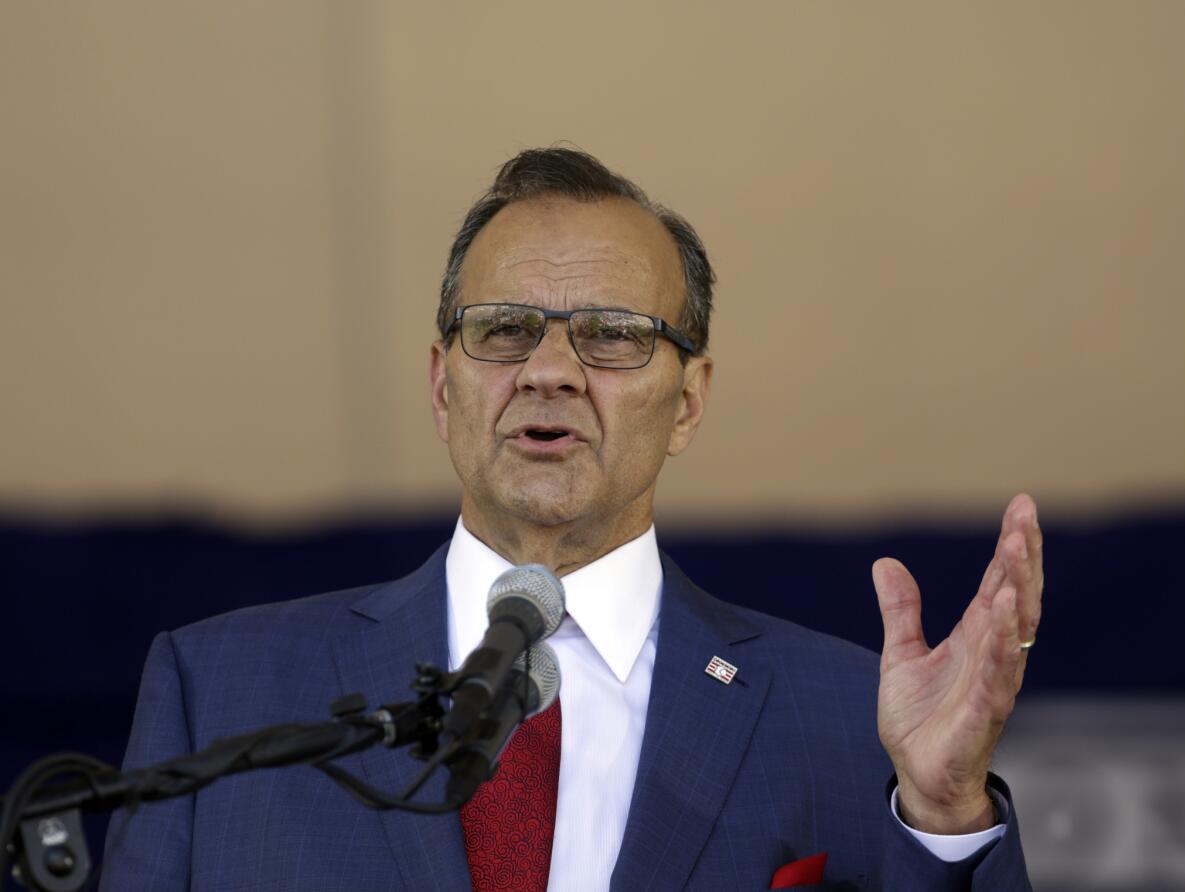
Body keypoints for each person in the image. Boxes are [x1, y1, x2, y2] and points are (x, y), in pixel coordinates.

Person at [101, 148, 1040, 890]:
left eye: (614, 336)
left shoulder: (848, 718)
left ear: (688, 403)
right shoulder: (219, 693)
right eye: (503, 329)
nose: (549, 371)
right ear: (441, 385)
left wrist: (944, 812)